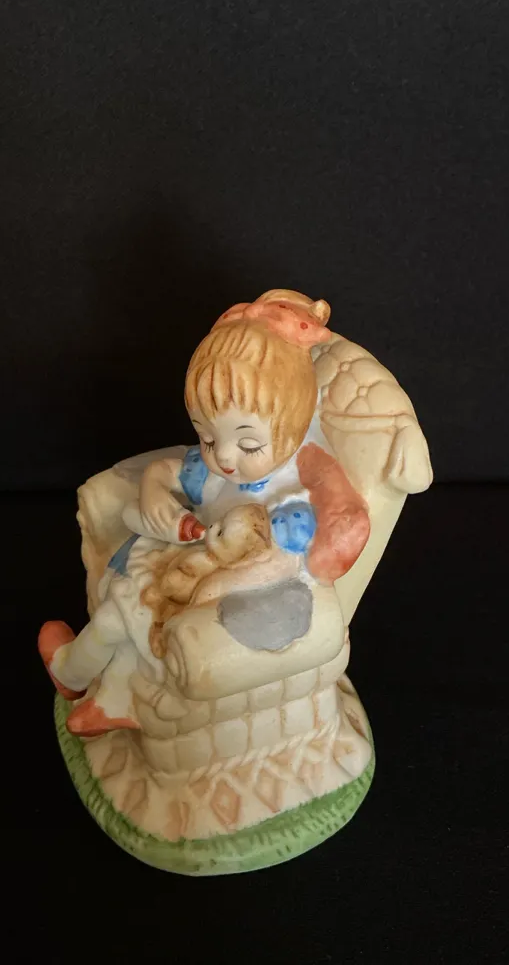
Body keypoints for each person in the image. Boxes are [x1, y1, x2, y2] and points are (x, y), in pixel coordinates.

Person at [38, 289, 370, 737]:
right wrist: (154, 493)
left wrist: (204, 586)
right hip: (186, 560)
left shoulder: (291, 505)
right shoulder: (220, 473)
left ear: (293, 429)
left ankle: (84, 680)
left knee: (123, 616)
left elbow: (283, 567)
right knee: (120, 607)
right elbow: (167, 471)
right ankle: (88, 685)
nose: (225, 458)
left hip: (221, 594)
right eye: (208, 438)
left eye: (247, 444)